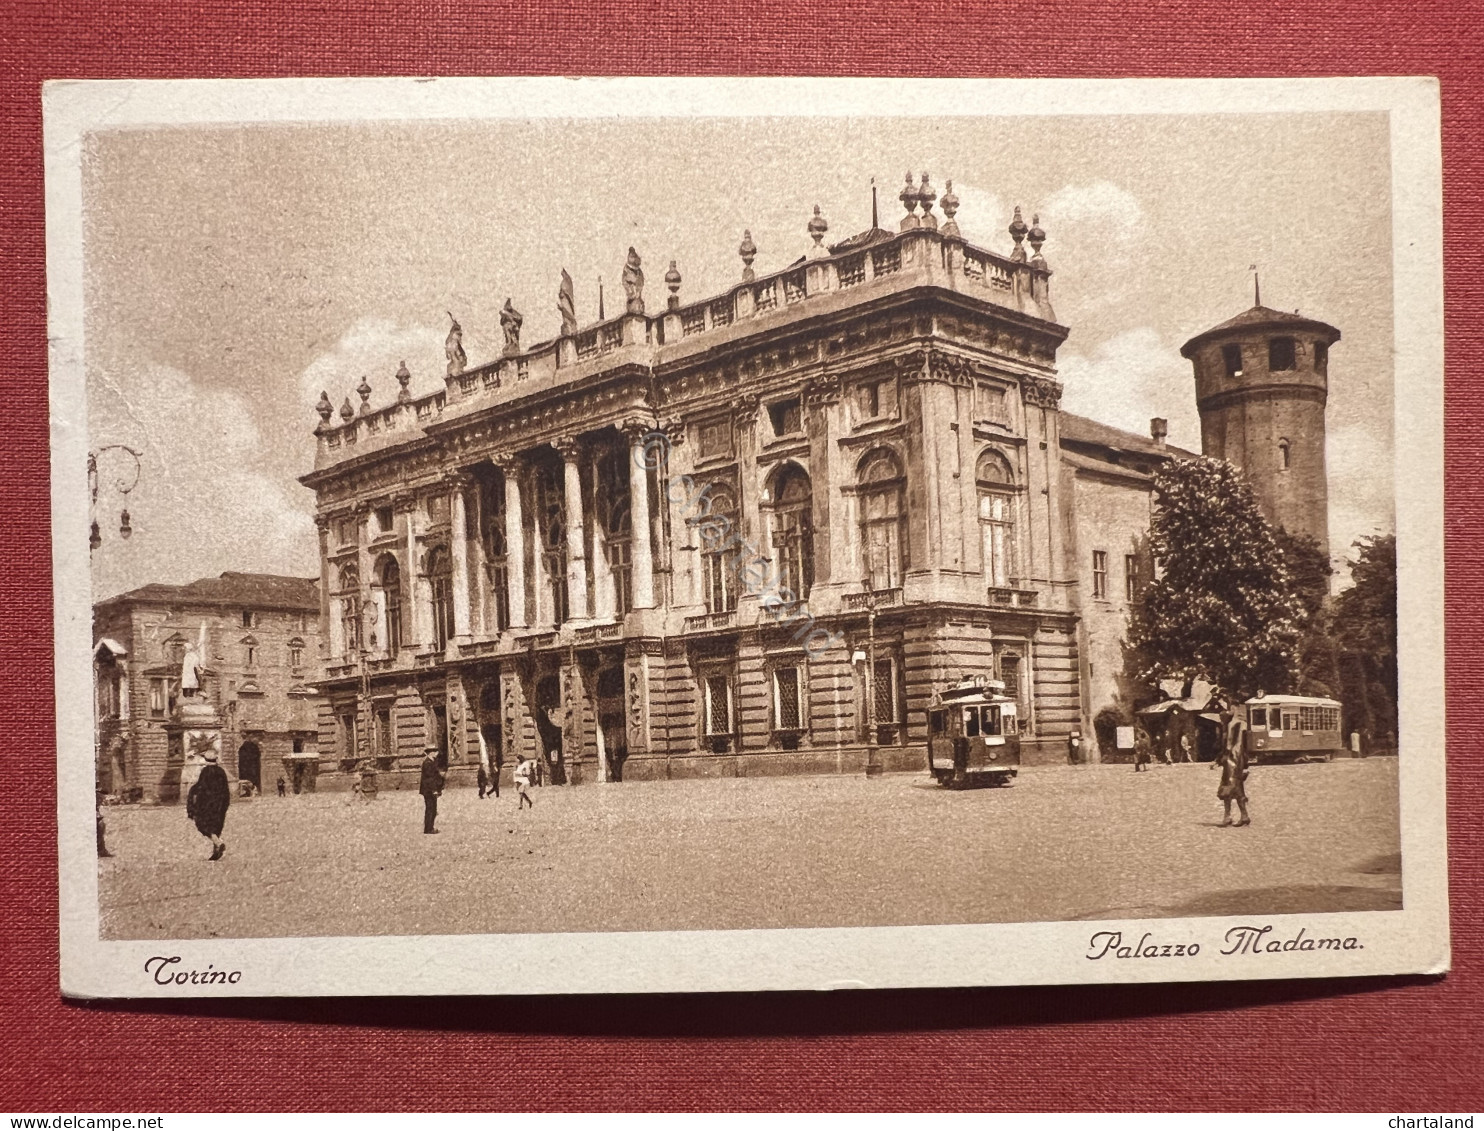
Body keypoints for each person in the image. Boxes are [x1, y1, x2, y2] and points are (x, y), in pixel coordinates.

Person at [185, 747, 231, 860]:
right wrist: (225, 803)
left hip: (208, 803)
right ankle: (216, 851)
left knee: (203, 824)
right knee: (216, 826)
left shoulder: (206, 771)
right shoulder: (221, 771)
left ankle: (219, 844)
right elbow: (226, 788)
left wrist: (194, 801)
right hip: (221, 803)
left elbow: (202, 788)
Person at [1216, 709, 1251, 827]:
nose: (1221, 720)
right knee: (1238, 789)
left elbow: (1231, 746)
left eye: (1222, 718)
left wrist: (1220, 759)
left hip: (1233, 761)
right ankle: (1244, 816)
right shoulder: (1237, 725)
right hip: (1237, 762)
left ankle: (1227, 816)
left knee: (1227, 788)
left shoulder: (1234, 726)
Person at [419, 745, 445, 834]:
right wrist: (434, 790)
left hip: (430, 790)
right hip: (429, 790)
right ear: (431, 753)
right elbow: (430, 779)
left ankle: (430, 827)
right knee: (430, 809)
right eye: (435, 751)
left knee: (433, 809)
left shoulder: (431, 762)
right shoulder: (428, 763)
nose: (437, 753)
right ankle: (428, 829)